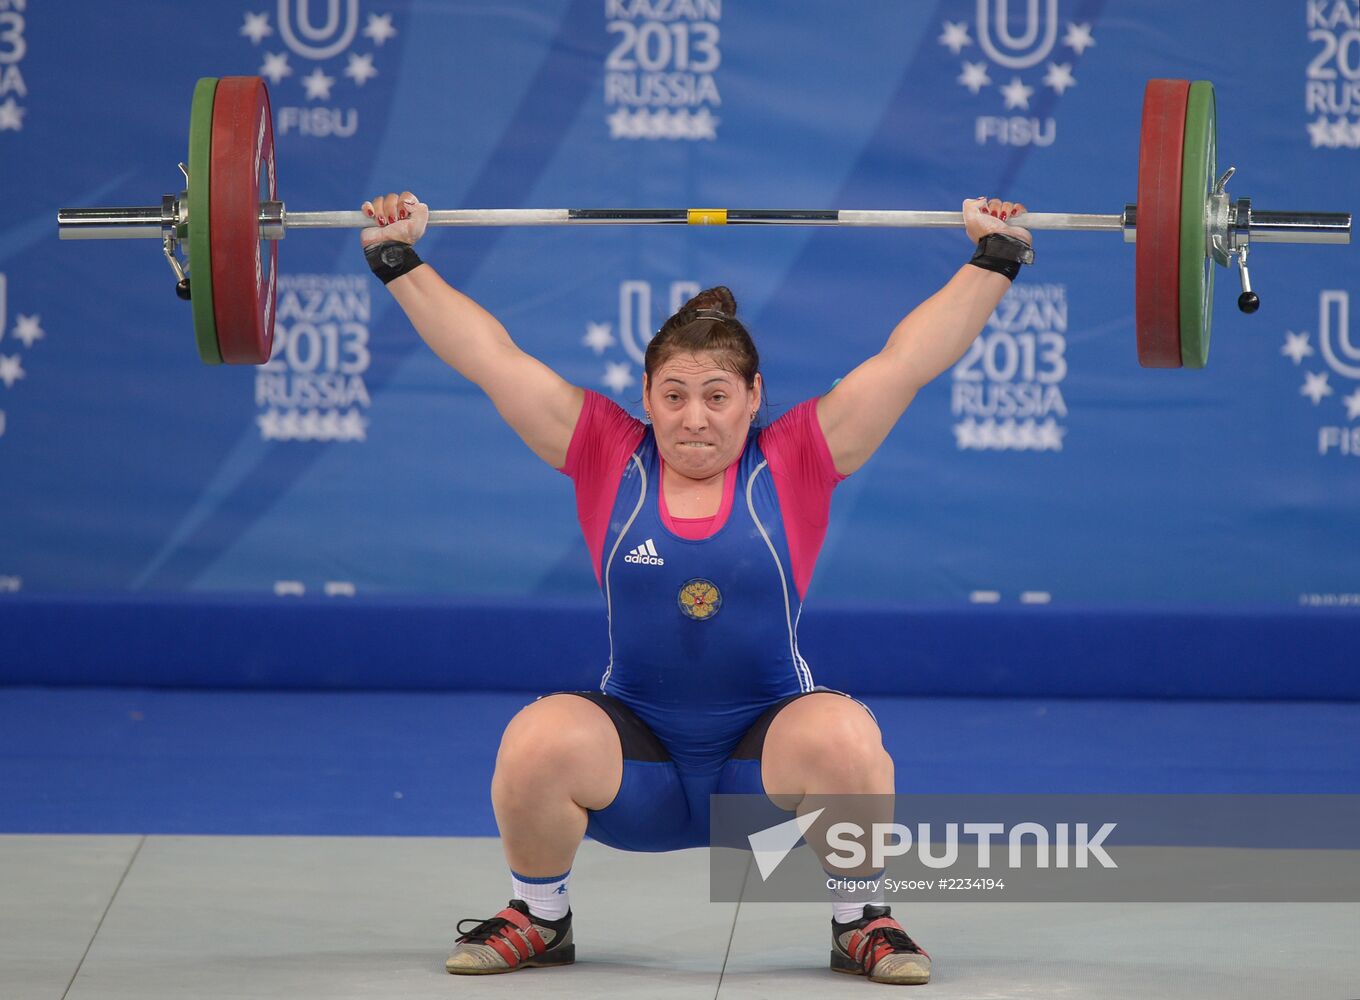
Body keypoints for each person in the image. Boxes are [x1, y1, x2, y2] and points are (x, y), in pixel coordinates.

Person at [359, 191, 1033, 985]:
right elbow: (490, 358)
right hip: (636, 771)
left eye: (717, 397)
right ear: (646, 398)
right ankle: (540, 914)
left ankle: (862, 920)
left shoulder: (796, 459)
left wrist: (995, 257)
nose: (694, 419)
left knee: (846, 736)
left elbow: (908, 359)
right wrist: (397, 259)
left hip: (765, 779)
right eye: (673, 397)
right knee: (536, 738)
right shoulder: (606, 454)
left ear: (753, 396)